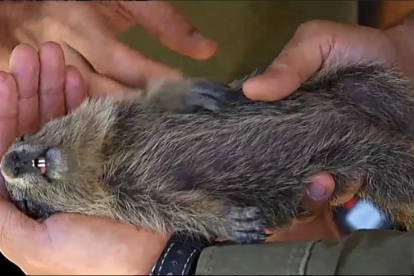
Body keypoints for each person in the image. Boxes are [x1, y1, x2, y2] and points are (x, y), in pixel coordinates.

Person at [0, 1, 414, 275]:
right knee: (387, 169)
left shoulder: (115, 116)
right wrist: (223, 224)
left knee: (378, 92)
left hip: (328, 93)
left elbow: (162, 100)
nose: (20, 162)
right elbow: (187, 213)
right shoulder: (120, 196)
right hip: (324, 160)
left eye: (23, 142)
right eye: (29, 199)